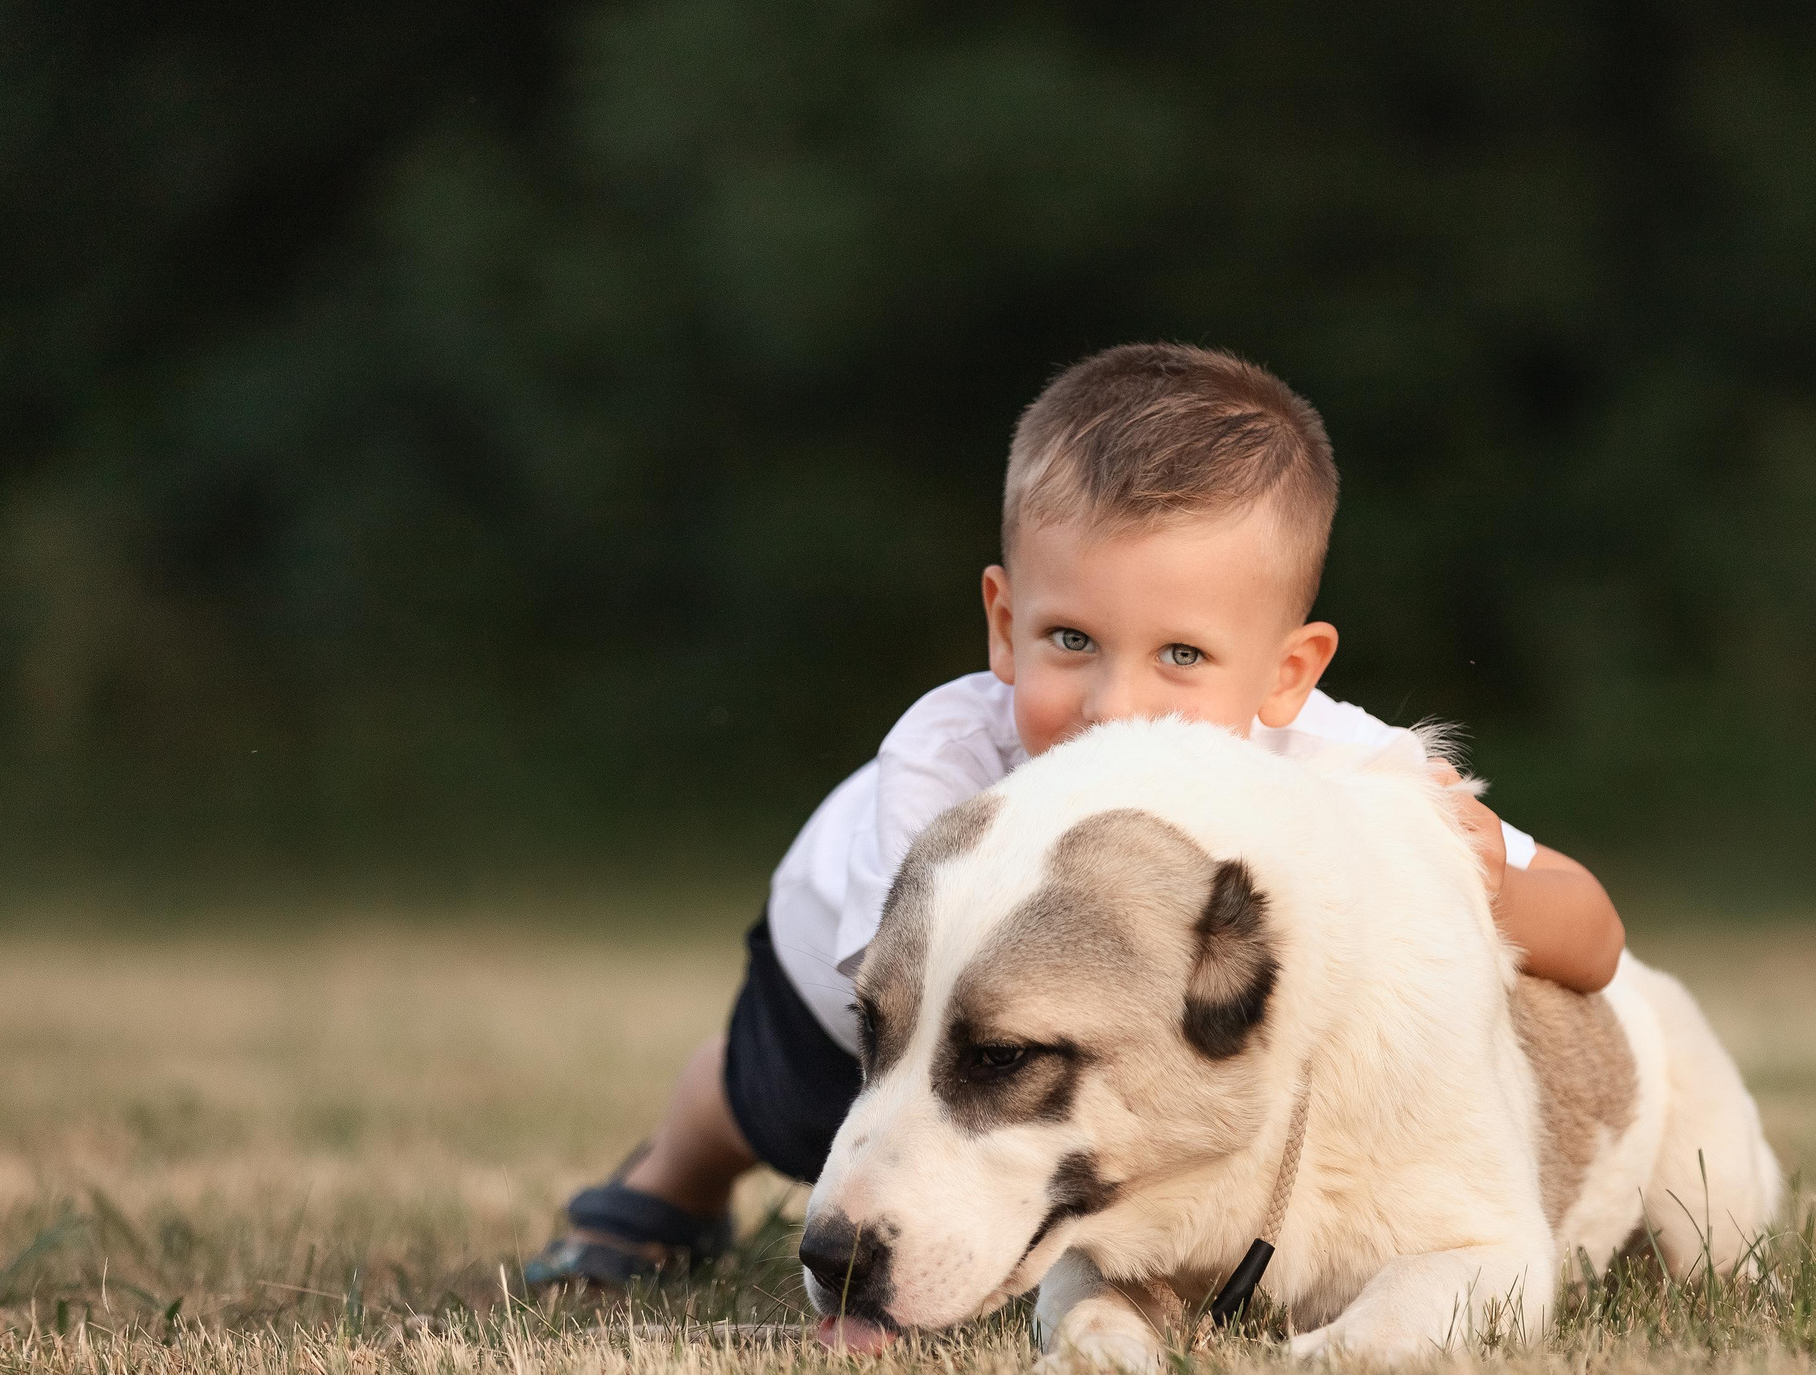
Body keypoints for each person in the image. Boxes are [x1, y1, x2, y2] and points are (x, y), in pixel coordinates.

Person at [523, 343, 1627, 1297]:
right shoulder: (949, 759)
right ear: (1004, 624)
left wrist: (1487, 872)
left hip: (1033, 1045)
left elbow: (1593, 938)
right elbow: (920, 1005)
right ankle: (667, 1182)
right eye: (1070, 642)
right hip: (864, 995)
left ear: (1288, 673)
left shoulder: (1338, 769)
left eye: (1181, 656)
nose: (1115, 705)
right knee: (767, 1106)